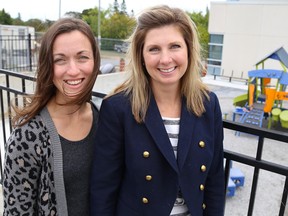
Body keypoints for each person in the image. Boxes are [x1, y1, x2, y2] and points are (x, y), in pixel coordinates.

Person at [90, 5, 225, 216]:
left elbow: (215, 179)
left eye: (175, 46)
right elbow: (104, 188)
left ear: (189, 50)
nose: (165, 59)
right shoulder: (118, 108)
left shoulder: (208, 104)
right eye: (154, 49)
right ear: (141, 56)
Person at [3, 17, 100, 216]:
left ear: (95, 61)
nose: (73, 70)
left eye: (82, 57)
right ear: (48, 65)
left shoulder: (106, 119)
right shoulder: (26, 137)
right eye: (60, 59)